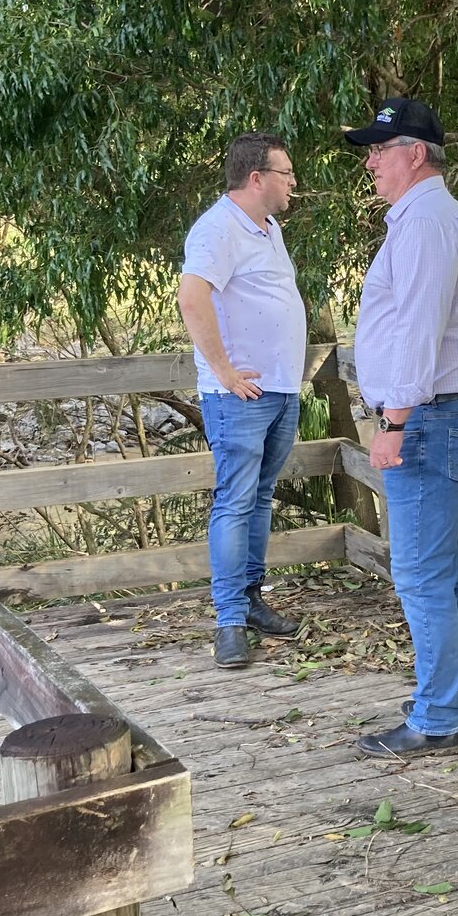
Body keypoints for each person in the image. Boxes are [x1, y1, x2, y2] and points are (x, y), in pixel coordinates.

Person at [344, 98, 458, 756]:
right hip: (441, 415)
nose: (371, 163)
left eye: (379, 149)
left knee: (420, 574)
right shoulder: (425, 219)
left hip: (430, 418)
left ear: (414, 152)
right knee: (445, 569)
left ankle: (436, 717)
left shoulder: (428, 223)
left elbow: (417, 332)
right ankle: (457, 704)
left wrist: (393, 421)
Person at [178, 132, 308, 668]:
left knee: (258, 498)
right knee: (234, 502)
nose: (293, 184)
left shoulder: (268, 228)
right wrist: (225, 371)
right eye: (286, 174)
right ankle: (229, 621)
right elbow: (191, 297)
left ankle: (253, 602)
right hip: (242, 397)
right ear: (256, 178)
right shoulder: (217, 229)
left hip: (279, 388)